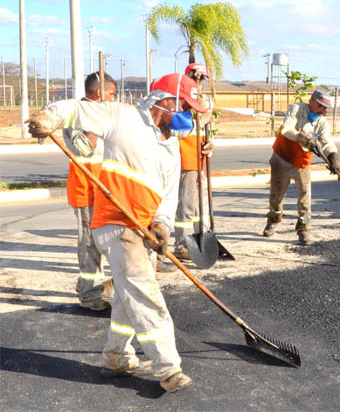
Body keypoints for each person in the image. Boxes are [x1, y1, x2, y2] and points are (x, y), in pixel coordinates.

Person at [25, 72, 207, 393]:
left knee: (126, 294)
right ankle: (168, 367)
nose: (188, 115)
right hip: (115, 222)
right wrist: (49, 116)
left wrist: (162, 224)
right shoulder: (123, 117)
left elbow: (168, 195)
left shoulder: (172, 146)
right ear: (165, 102)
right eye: (185, 107)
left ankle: (116, 356)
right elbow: (76, 111)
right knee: (145, 293)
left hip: (143, 229)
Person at [65, 72, 117, 311]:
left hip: (105, 187)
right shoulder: (77, 113)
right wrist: (98, 123)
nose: (113, 98)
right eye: (111, 94)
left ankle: (85, 284)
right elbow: (83, 148)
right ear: (98, 93)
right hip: (85, 186)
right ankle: (89, 294)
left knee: (104, 241)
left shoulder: (104, 113)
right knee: (89, 243)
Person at [262, 90, 339, 245]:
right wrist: (304, 139)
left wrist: (333, 158)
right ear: (311, 101)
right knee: (276, 197)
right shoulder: (296, 109)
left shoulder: (322, 123)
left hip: (301, 163)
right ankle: (273, 220)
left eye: (325, 108)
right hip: (281, 158)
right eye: (320, 106)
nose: (323, 110)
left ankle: (303, 228)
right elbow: (286, 129)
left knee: (305, 196)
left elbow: (328, 143)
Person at [172, 63, 214, 263]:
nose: (198, 82)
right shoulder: (180, 100)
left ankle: (201, 239)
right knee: (186, 205)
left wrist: (210, 144)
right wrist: (200, 121)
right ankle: (182, 245)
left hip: (199, 159)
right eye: (195, 77)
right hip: (185, 158)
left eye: (201, 79)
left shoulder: (203, 101)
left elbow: (205, 132)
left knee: (201, 206)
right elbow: (179, 129)